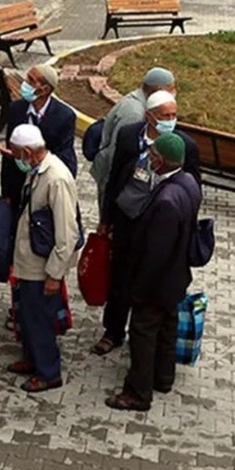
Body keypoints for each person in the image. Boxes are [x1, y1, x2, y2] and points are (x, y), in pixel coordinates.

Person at [92, 91, 201, 356]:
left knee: (148, 281)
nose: (171, 120)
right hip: (127, 220)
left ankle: (145, 338)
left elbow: (192, 188)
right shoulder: (130, 135)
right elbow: (115, 177)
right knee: (119, 277)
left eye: (174, 115)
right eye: (166, 116)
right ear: (150, 116)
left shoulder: (184, 145)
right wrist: (106, 219)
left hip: (158, 227)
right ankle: (113, 331)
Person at [106, 134, 201, 411]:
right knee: (167, 328)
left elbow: (155, 254)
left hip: (156, 283)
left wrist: (139, 289)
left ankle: (138, 392)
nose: (149, 158)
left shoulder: (166, 201)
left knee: (143, 334)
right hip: (176, 278)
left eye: (153, 155)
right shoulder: (188, 182)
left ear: (159, 160)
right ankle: (163, 377)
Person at [6, 124, 78, 393]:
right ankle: (32, 358)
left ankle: (48, 372)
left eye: (16, 154)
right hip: (27, 260)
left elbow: (67, 233)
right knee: (26, 316)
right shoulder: (37, 170)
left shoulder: (56, 178)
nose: (15, 159)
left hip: (42, 266)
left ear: (27, 152)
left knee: (40, 321)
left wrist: (54, 274)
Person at [90, 67, 177, 210]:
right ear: (158, 90)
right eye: (171, 88)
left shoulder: (139, 100)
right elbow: (118, 153)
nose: (174, 93)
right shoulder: (134, 114)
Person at [0, 64, 77, 213]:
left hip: (43, 188)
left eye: (31, 80)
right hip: (18, 185)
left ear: (44, 90)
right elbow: (8, 156)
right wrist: (6, 193)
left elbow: (65, 157)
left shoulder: (64, 117)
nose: (25, 83)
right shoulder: (16, 110)